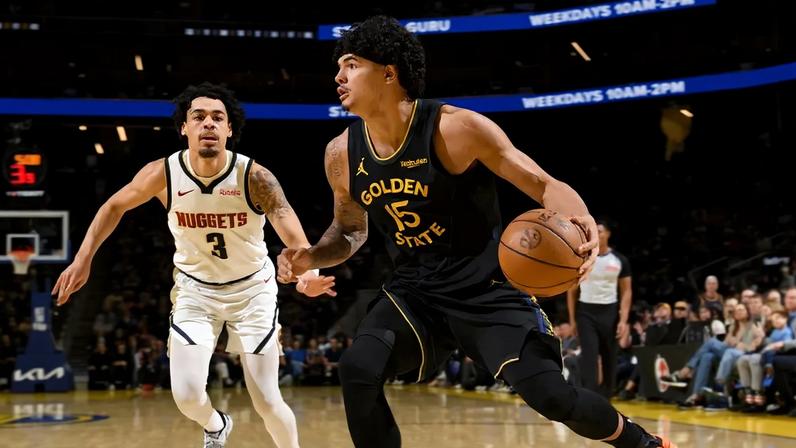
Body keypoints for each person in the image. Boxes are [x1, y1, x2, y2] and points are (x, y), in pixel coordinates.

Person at [277, 16, 674, 448]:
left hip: (487, 289)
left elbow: (543, 185)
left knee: (553, 398)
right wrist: (312, 256)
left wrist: (581, 228)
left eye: (351, 65)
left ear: (389, 72)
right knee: (358, 368)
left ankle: (643, 443)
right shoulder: (340, 153)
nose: (338, 75)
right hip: (415, 294)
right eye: (339, 66)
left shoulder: (455, 128)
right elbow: (351, 230)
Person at [51, 82, 336, 448]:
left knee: (266, 399)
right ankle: (216, 424)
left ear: (230, 129)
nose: (209, 124)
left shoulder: (254, 176)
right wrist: (83, 258)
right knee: (186, 396)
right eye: (198, 117)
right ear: (184, 127)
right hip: (195, 291)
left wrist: (307, 274)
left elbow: (294, 234)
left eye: (218, 118)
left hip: (252, 291)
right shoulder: (163, 173)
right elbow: (113, 206)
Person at [567, 219, 632, 397]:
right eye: (594, 230)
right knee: (589, 355)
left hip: (610, 312)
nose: (597, 233)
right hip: (586, 312)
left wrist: (624, 319)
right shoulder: (583, 257)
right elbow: (571, 292)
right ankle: (590, 396)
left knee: (609, 356)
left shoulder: (620, 260)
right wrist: (572, 320)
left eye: (600, 231)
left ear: (608, 234)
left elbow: (626, 291)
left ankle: (606, 396)